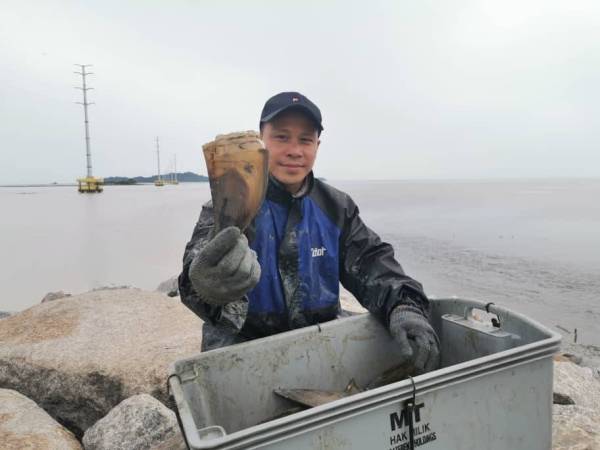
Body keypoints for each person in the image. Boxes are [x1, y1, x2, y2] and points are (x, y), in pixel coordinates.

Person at [178, 91, 440, 374]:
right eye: (281, 137)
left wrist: (405, 306)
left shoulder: (337, 206)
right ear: (261, 141)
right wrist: (205, 286)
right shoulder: (229, 205)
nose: (295, 150)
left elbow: (373, 263)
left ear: (317, 145)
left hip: (318, 340)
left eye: (305, 139)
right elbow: (195, 275)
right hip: (244, 345)